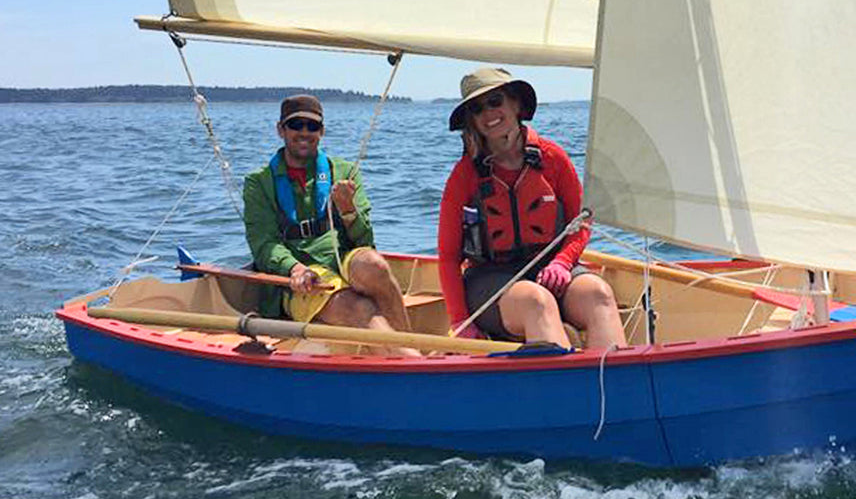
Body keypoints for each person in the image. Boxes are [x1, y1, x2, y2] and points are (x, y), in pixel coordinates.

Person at [437, 67, 627, 351]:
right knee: (536, 302)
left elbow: (582, 223)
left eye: (495, 101)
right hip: (489, 281)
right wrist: (460, 321)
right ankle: (563, 377)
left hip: (552, 270)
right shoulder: (463, 177)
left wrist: (562, 262)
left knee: (598, 294)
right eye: (477, 109)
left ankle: (615, 376)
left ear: (516, 104)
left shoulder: (554, 158)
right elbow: (448, 258)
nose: (488, 113)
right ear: (472, 121)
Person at [244, 94, 419, 355]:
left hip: (342, 257)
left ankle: (409, 353)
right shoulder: (258, 183)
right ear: (281, 130)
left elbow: (365, 241)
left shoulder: (345, 172)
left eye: (312, 126)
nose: (305, 132)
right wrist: (295, 268)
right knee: (358, 308)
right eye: (296, 125)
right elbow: (264, 244)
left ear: (322, 132)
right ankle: (410, 362)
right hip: (298, 277)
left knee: (375, 266)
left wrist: (348, 210)